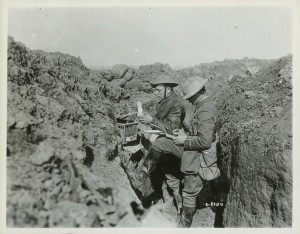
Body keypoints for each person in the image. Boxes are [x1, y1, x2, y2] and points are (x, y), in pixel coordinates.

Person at [127, 74, 186, 208]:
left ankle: (180, 209)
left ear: (168, 90)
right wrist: (149, 119)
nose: (156, 93)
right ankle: (171, 202)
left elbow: (171, 129)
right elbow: (163, 122)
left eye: (158, 90)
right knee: (167, 174)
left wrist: (151, 121)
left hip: (176, 144)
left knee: (172, 177)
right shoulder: (166, 102)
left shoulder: (176, 104)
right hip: (168, 142)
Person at [173, 76, 220, 227]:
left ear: (197, 93)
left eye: (190, 97)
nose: (188, 100)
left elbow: (205, 141)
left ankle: (184, 225)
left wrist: (184, 140)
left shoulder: (204, 110)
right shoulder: (204, 106)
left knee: (189, 192)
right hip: (197, 154)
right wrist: (186, 135)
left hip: (198, 159)